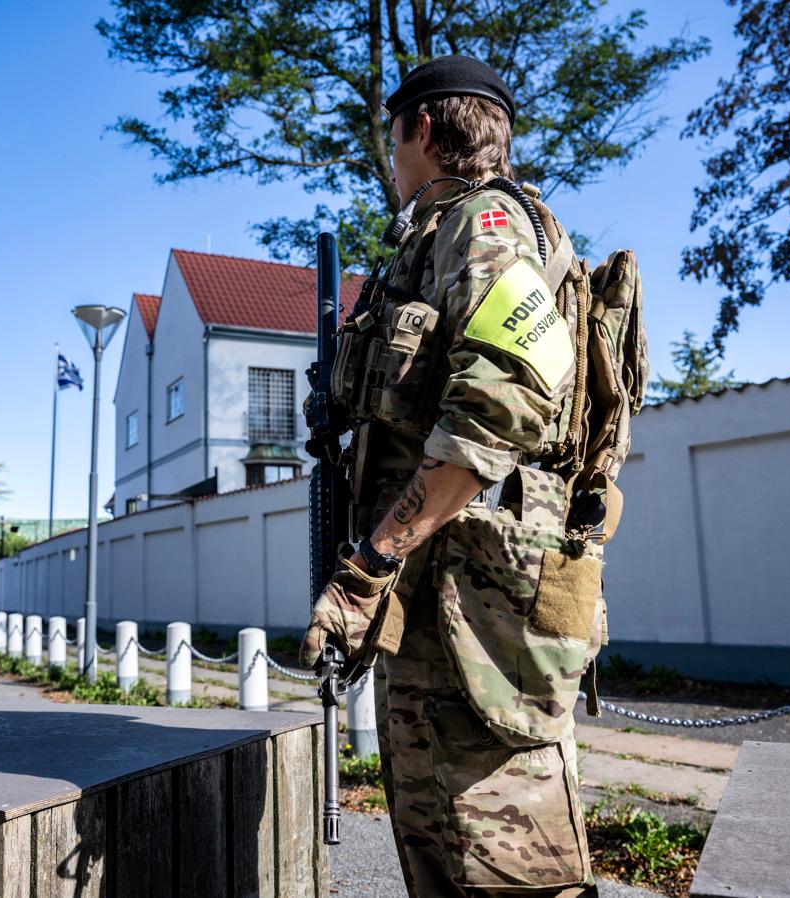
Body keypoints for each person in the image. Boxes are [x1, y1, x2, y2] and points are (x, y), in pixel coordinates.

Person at [301, 55, 606, 897]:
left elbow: (502, 405)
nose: (392, 163)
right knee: (438, 844)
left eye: (393, 140)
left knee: (508, 864)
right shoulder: (436, 236)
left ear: (423, 130)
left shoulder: (489, 225)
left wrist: (370, 565)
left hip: (479, 605)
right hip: (439, 597)